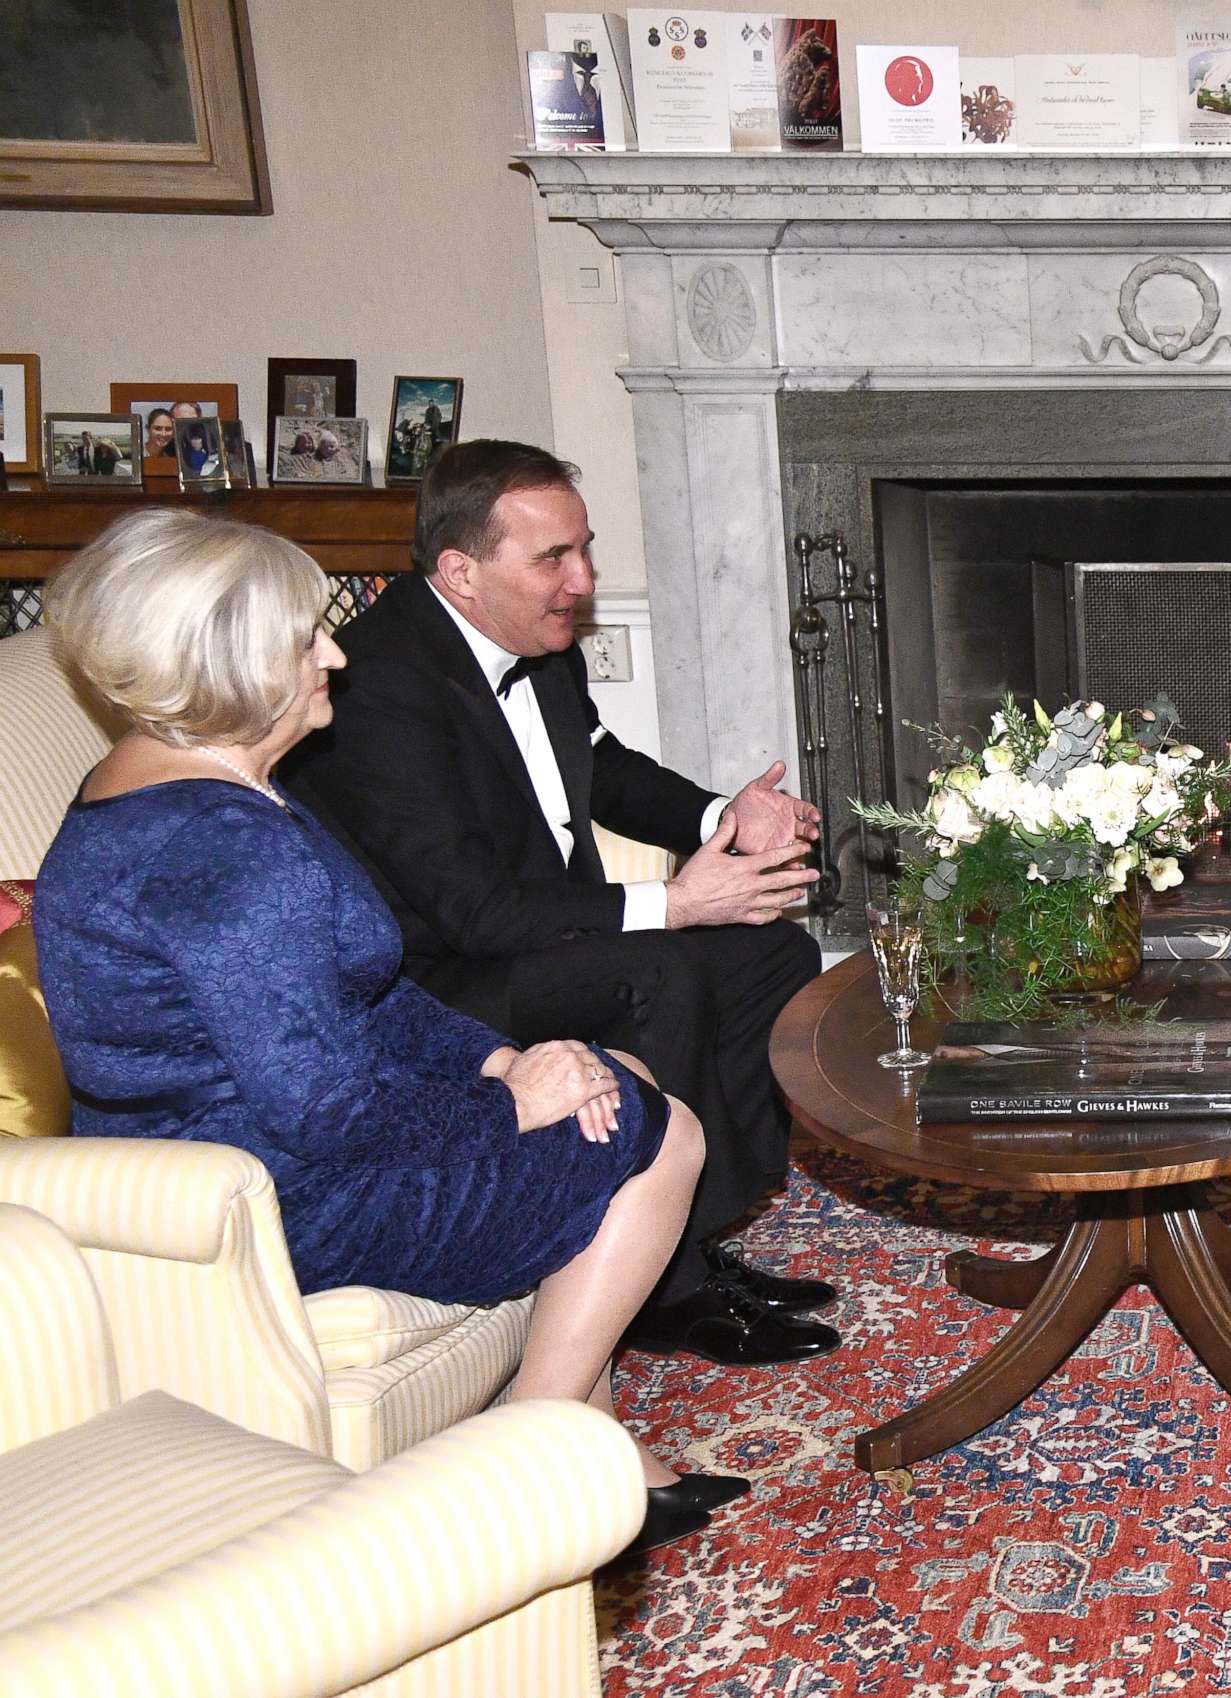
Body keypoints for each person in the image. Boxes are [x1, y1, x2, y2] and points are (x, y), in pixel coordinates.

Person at [35, 509, 741, 1559]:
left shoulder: (188, 787)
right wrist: (508, 1102)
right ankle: (531, 1455)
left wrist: (499, 1055)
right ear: (227, 663)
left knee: (613, 1075)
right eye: (304, 637)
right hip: (282, 1200)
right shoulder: (230, 851)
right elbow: (322, 1108)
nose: (333, 652)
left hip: (268, 1151)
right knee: (655, 1128)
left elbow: (366, 990)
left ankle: (594, 1433)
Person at [285, 440, 837, 1367]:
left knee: (771, 956)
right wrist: (672, 901)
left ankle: (688, 1237)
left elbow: (602, 767)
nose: (581, 581)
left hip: (537, 934)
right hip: (438, 984)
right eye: (554, 558)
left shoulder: (532, 639)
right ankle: (665, 1288)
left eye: (585, 550)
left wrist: (720, 812)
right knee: (658, 972)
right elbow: (471, 914)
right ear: (461, 571)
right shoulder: (377, 685)